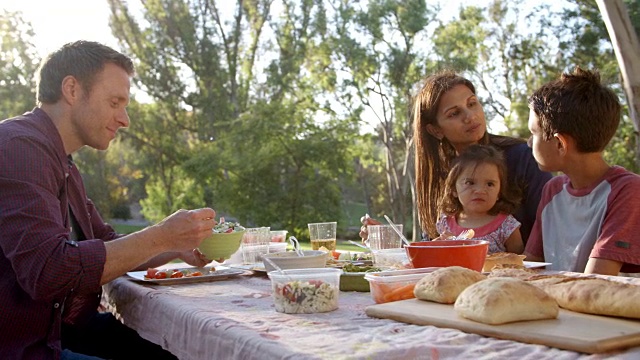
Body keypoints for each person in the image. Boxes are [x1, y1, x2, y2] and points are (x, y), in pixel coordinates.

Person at [0, 41, 216, 359]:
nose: (125, 119)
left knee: (181, 346)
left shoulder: (63, 164)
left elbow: (106, 242)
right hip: (23, 347)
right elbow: (49, 272)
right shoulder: (20, 147)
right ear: (72, 89)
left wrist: (173, 246)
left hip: (65, 332)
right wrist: (160, 235)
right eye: (115, 102)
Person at [361, 70, 553, 242]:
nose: (470, 116)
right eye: (454, 113)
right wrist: (390, 241)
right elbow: (436, 249)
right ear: (435, 130)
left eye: (472, 103)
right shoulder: (440, 176)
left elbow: (552, 226)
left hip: (523, 277)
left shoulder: (523, 158)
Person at [524, 66, 640, 275]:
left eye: (534, 132)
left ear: (560, 144)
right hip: (557, 303)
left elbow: (597, 281)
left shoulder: (628, 191)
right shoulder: (553, 190)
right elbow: (532, 266)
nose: (528, 142)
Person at [434, 144, 523, 254]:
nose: (480, 190)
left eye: (490, 184)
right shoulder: (445, 223)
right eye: (470, 183)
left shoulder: (506, 226)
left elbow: (520, 262)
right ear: (454, 189)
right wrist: (437, 245)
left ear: (499, 192)